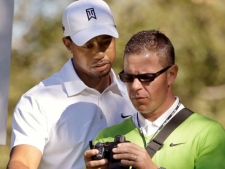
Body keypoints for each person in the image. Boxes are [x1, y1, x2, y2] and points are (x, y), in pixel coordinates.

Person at [7, 0, 136, 169]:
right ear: (68, 45)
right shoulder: (36, 101)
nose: (99, 53)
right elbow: (22, 162)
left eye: (106, 42)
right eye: (88, 45)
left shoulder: (133, 94)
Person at [84, 30, 225, 169]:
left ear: (171, 74)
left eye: (146, 77)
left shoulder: (207, 133)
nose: (135, 86)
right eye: (128, 78)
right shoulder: (106, 138)